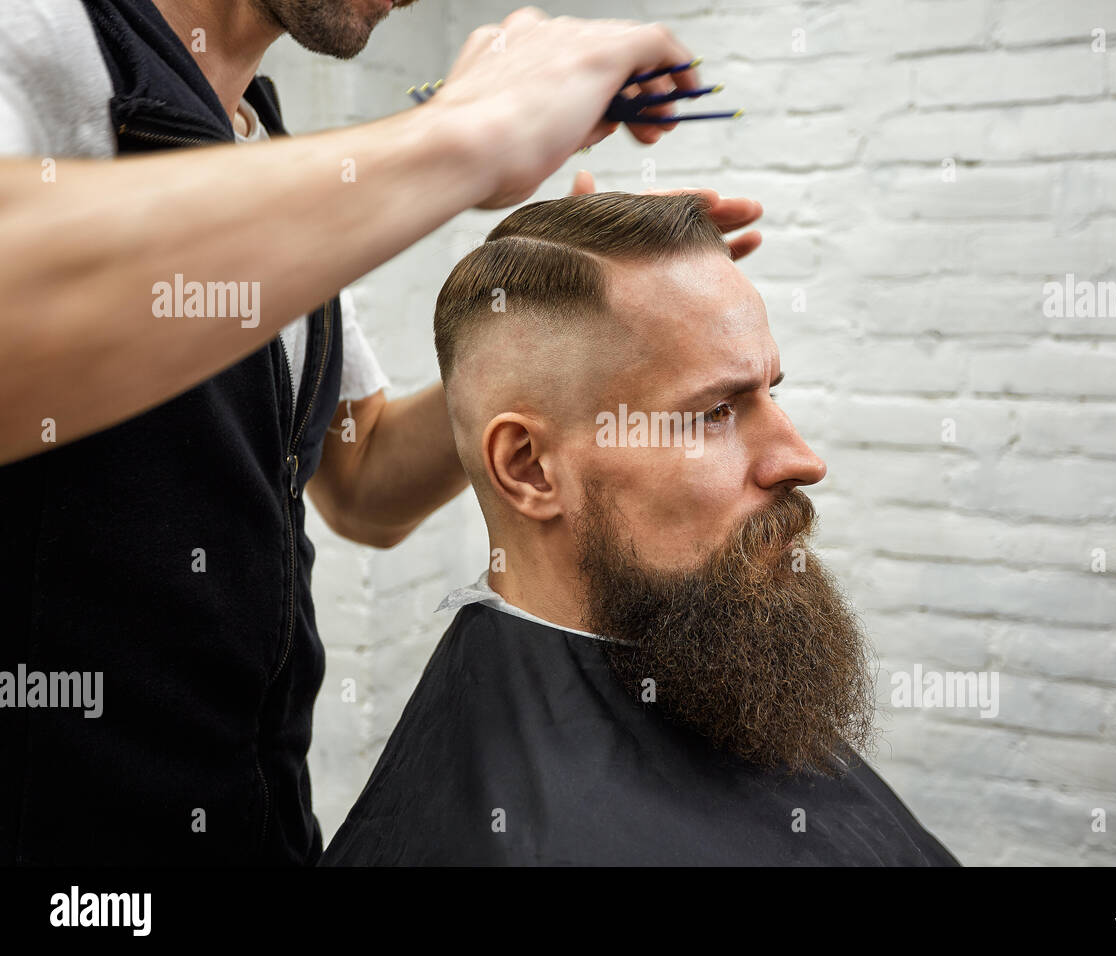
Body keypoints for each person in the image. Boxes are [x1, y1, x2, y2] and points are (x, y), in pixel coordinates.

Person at [0, 1, 762, 865]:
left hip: (252, 821)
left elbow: (365, 487)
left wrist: (558, 340)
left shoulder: (267, 154)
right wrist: (469, 132)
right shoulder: (37, 31)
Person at [321, 192, 959, 866]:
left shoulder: (712, 662)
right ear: (531, 469)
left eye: (772, 391)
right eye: (716, 411)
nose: (802, 460)